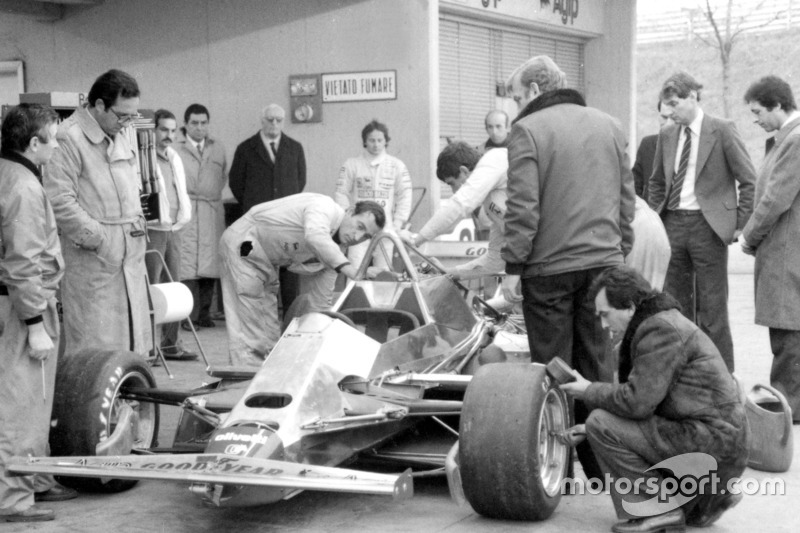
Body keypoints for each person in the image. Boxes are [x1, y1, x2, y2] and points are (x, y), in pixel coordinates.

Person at [501, 55, 635, 481]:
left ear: (537, 90)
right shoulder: (610, 125)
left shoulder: (527, 130)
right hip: (603, 264)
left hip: (548, 270)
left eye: (520, 96)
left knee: (553, 369)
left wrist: (512, 267)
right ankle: (602, 465)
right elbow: (626, 201)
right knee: (597, 365)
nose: (516, 105)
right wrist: (618, 251)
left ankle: (559, 469)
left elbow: (523, 209)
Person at [561, 265, 749, 532]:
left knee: (600, 423)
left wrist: (588, 390)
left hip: (711, 445)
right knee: (597, 426)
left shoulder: (659, 330)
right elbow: (653, 402)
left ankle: (657, 510)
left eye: (605, 314)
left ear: (629, 307)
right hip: (719, 443)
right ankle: (708, 499)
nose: (604, 324)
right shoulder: (662, 321)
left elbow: (637, 403)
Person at [647, 72, 756, 372]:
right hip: (672, 224)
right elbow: (657, 182)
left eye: (674, 104)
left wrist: (738, 225)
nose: (668, 111)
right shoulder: (668, 135)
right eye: (666, 105)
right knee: (674, 304)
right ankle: (681, 371)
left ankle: (721, 375)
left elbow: (748, 180)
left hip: (708, 228)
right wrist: (653, 218)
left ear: (693, 96)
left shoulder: (722, 130)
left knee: (713, 307)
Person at [0, 104, 75, 523]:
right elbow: (23, 261)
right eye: (54, 138)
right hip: (23, 306)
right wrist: (33, 325)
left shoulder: (9, 174)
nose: (58, 145)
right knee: (21, 406)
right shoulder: (25, 188)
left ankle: (37, 481)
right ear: (33, 143)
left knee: (30, 400)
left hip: (14, 302)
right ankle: (12, 500)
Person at [44, 69, 150, 358]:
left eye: (132, 116)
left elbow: (132, 183)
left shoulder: (121, 131)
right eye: (122, 115)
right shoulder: (68, 138)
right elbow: (59, 201)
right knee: (96, 350)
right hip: (94, 260)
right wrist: (101, 239)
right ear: (99, 105)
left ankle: (130, 402)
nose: (128, 122)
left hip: (129, 255)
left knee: (133, 346)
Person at [219, 193, 385, 366]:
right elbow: (315, 237)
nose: (357, 237)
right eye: (359, 226)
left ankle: (265, 377)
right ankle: (245, 381)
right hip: (244, 243)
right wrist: (352, 270)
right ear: (350, 211)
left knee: (268, 329)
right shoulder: (324, 207)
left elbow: (320, 305)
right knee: (249, 325)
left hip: (266, 259)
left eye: (365, 236)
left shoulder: (335, 253)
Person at [741, 75, 800, 422]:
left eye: (758, 111)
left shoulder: (794, 141)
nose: (756, 119)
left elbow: (774, 198)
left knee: (787, 336)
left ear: (778, 105)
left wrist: (749, 236)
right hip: (785, 249)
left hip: (786, 251)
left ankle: (787, 415)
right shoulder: (786, 139)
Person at [229, 103, 306, 313]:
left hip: (288, 221)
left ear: (283, 122)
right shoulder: (245, 149)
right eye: (270, 119)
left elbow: (300, 181)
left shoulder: (295, 148)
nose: (274, 124)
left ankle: (291, 315)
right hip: (259, 222)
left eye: (278, 120)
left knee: (289, 269)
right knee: (259, 267)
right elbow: (236, 183)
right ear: (262, 121)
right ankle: (261, 315)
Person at [400, 141, 507, 276]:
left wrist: (416, 239)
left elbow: (459, 204)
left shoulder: (494, 160)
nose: (454, 191)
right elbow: (495, 260)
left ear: (464, 171)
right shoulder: (492, 199)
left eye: (452, 183)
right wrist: (448, 273)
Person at [144, 109, 195, 361]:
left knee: (174, 287)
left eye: (173, 130)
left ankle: (171, 345)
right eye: (164, 129)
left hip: (175, 228)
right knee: (152, 288)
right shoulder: (144, 158)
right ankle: (150, 349)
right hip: (154, 229)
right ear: (153, 130)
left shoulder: (173, 156)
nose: (168, 135)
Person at [334, 120, 412, 278]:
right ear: (364, 141)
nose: (376, 145)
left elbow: (405, 194)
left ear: (386, 141)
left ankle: (382, 302)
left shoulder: (396, 165)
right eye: (371, 140)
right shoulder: (352, 164)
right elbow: (341, 192)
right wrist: (347, 216)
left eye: (379, 140)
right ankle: (354, 301)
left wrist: (398, 222)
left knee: (384, 272)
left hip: (386, 228)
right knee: (355, 269)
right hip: (359, 228)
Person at [176, 103, 227, 330]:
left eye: (203, 123)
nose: (199, 128)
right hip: (187, 208)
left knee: (209, 264)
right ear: (185, 124)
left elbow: (223, 175)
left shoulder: (218, 148)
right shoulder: (176, 148)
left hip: (210, 209)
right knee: (187, 264)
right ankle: (188, 316)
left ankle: (205, 313)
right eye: (194, 123)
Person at [632, 100, 672, 199]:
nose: (668, 123)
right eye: (664, 117)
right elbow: (634, 186)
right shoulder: (647, 145)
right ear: (658, 117)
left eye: (673, 118)